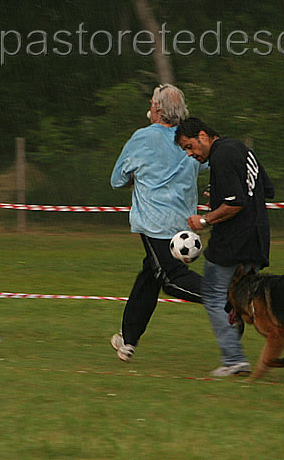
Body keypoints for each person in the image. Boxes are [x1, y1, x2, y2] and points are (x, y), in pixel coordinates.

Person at [109, 84, 207, 362]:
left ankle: (225, 301)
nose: (149, 107)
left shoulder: (142, 138)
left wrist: (137, 177)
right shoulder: (189, 139)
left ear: (158, 109)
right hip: (185, 223)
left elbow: (116, 179)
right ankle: (128, 340)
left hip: (155, 224)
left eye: (152, 103)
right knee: (149, 277)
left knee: (170, 279)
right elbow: (209, 161)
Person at [174, 117, 275, 376]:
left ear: (203, 136)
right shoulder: (241, 149)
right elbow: (266, 189)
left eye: (190, 146)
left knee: (213, 293)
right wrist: (218, 191)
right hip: (258, 237)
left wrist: (205, 219)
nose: (190, 154)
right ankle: (279, 341)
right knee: (249, 300)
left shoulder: (221, 156)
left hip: (233, 240)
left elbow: (235, 203)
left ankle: (234, 359)